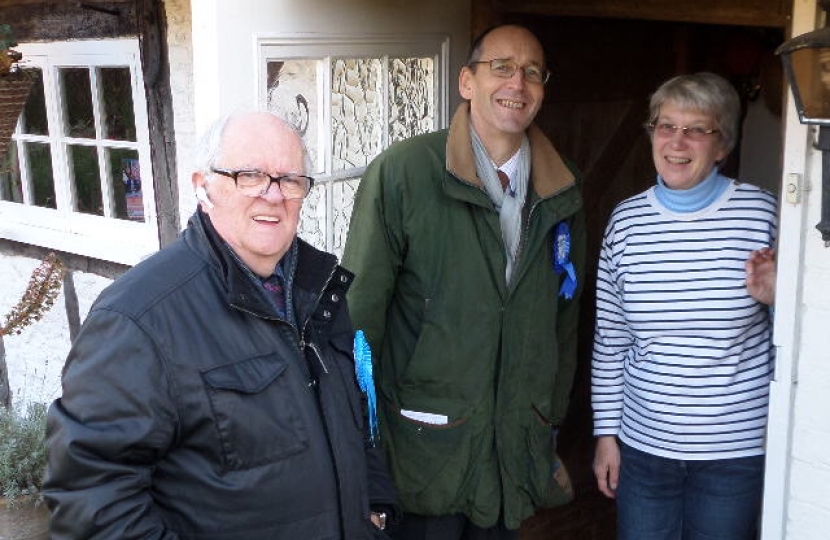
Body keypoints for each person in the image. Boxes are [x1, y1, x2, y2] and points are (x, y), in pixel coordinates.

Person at [43, 110, 398, 539]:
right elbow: (92, 501)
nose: (273, 195)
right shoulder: (138, 319)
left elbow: (356, 411)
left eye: (290, 180)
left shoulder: (319, 290)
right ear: (203, 187)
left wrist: (375, 505)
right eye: (248, 175)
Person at [342, 24, 585, 540]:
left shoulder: (562, 186)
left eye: (532, 73)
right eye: (501, 67)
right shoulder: (403, 174)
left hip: (511, 449)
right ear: (466, 82)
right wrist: (361, 451)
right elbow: (360, 320)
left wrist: (548, 422)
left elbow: (563, 320)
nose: (517, 83)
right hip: (422, 450)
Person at [591, 72, 778, 540]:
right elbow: (611, 342)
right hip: (644, 448)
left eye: (697, 128)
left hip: (733, 453)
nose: (677, 141)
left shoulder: (762, 214)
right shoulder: (627, 222)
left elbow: (805, 335)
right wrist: (605, 436)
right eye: (665, 125)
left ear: (723, 145)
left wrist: (777, 300)